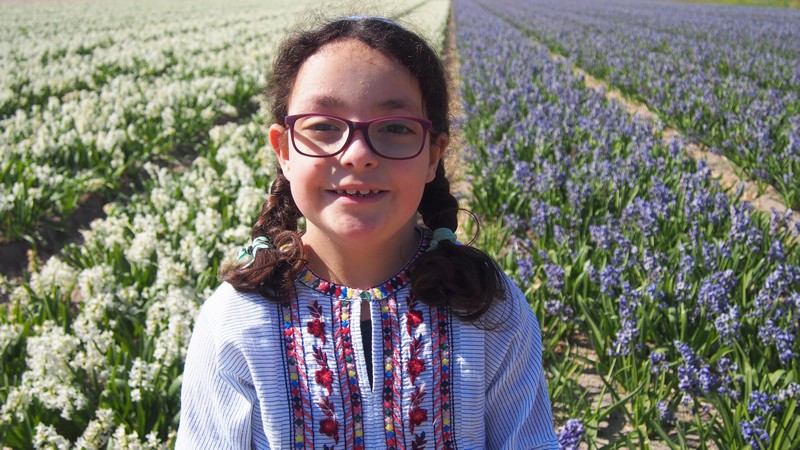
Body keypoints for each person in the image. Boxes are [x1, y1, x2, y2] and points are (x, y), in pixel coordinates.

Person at [176, 15, 558, 449]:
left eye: (395, 128)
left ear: (434, 155)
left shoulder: (489, 309)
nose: (358, 155)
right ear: (283, 151)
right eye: (322, 126)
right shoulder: (237, 321)